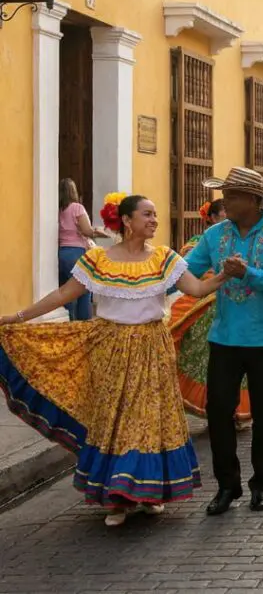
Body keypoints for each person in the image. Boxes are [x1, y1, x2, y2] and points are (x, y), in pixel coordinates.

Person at [0, 193, 225, 526]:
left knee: (150, 420)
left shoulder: (165, 258)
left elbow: (196, 290)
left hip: (152, 348)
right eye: (147, 214)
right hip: (111, 348)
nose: (154, 220)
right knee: (114, 420)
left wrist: (226, 276)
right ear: (127, 220)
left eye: (155, 215)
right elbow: (63, 294)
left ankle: (149, 494)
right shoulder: (98, 261)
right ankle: (118, 500)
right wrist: (17, 318)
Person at [184, 167, 263, 516]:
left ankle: (261, 485)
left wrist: (248, 273)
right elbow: (186, 269)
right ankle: (226, 486)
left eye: (231, 195)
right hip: (224, 338)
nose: (224, 201)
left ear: (252, 200)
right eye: (225, 194)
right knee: (219, 412)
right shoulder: (215, 234)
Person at [169, 199, 254, 432]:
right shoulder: (201, 242)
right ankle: (216, 410)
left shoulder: (249, 238)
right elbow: (186, 274)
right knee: (207, 362)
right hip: (204, 310)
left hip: (231, 307)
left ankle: (236, 410)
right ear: (213, 217)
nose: (228, 214)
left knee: (240, 368)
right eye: (223, 212)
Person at [58, 178, 108, 320]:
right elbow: (87, 231)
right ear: (73, 191)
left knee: (65, 291)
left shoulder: (58, 210)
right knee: (85, 290)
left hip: (61, 253)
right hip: (76, 252)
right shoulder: (77, 208)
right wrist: (100, 232)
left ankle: (68, 321)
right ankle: (84, 325)